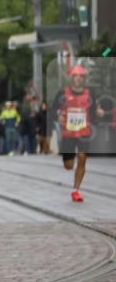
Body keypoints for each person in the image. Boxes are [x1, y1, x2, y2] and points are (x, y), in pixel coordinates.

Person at [50, 65, 104, 202]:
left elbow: (95, 110)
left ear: (84, 78)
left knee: (82, 158)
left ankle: (76, 190)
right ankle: (70, 161)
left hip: (83, 131)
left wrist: (99, 113)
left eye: (80, 76)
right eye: (75, 76)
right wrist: (58, 117)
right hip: (67, 132)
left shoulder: (90, 93)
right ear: (71, 78)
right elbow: (53, 110)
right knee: (68, 166)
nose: (77, 78)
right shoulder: (63, 93)